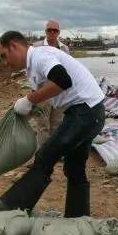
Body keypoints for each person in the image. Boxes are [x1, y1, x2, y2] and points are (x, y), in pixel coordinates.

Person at [0, 31, 106, 217]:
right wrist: (29, 109)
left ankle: (10, 210)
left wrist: (29, 99)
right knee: (74, 168)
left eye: (4, 56)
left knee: (45, 157)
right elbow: (48, 92)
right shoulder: (33, 66)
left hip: (85, 113)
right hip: (90, 113)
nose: (5, 62)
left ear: (14, 46)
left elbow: (63, 81)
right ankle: (78, 218)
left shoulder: (40, 55)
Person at [33, 20, 70, 150]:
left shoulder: (64, 49)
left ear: (59, 32)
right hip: (43, 91)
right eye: (50, 30)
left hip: (59, 92)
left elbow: (68, 70)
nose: (52, 32)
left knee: (57, 124)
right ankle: (41, 152)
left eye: (55, 30)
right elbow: (32, 69)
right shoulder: (36, 47)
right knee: (43, 124)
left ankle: (54, 153)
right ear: (45, 31)